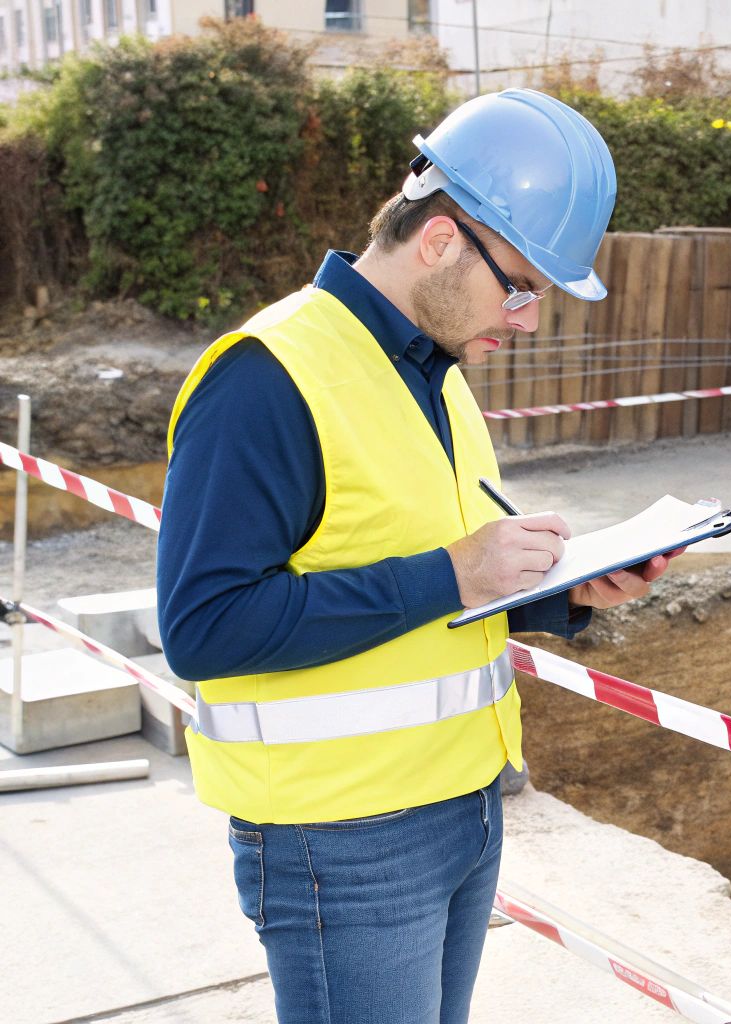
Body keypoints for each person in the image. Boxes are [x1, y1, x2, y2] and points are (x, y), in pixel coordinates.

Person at [155, 89, 657, 1024]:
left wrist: (560, 594)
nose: (529, 318)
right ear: (440, 241)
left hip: (463, 808)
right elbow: (204, 626)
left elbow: (429, 583)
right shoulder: (267, 379)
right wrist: (455, 573)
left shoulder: (430, 373)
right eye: (522, 285)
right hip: (341, 841)